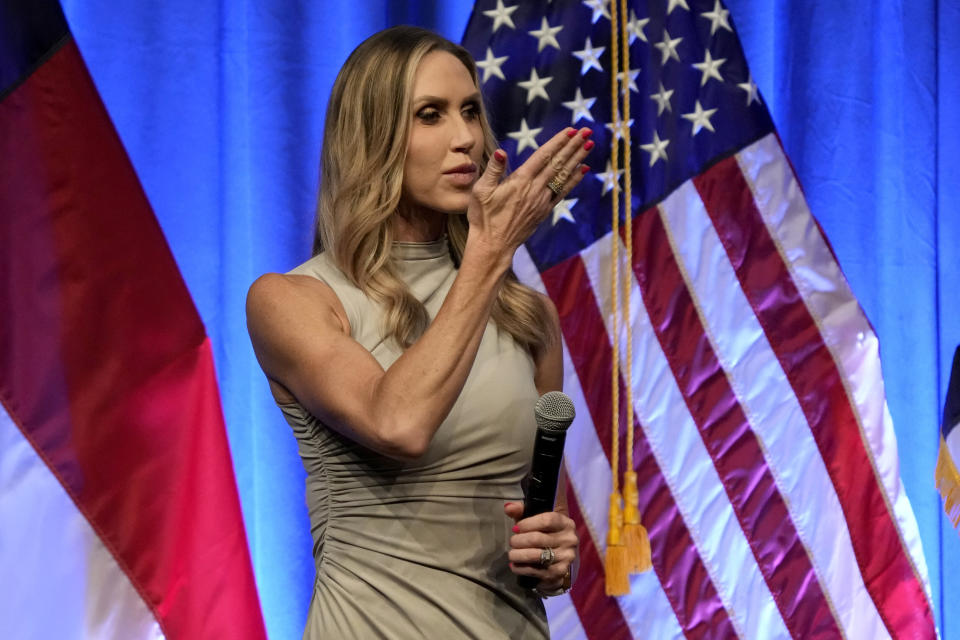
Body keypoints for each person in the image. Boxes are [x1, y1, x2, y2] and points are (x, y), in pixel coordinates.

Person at [246, 25, 593, 639]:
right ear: (373, 138)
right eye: (429, 115)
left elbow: (544, 527)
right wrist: (490, 252)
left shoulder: (526, 317)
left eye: (469, 112)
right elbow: (397, 424)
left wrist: (552, 555)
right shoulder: (292, 300)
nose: (465, 139)